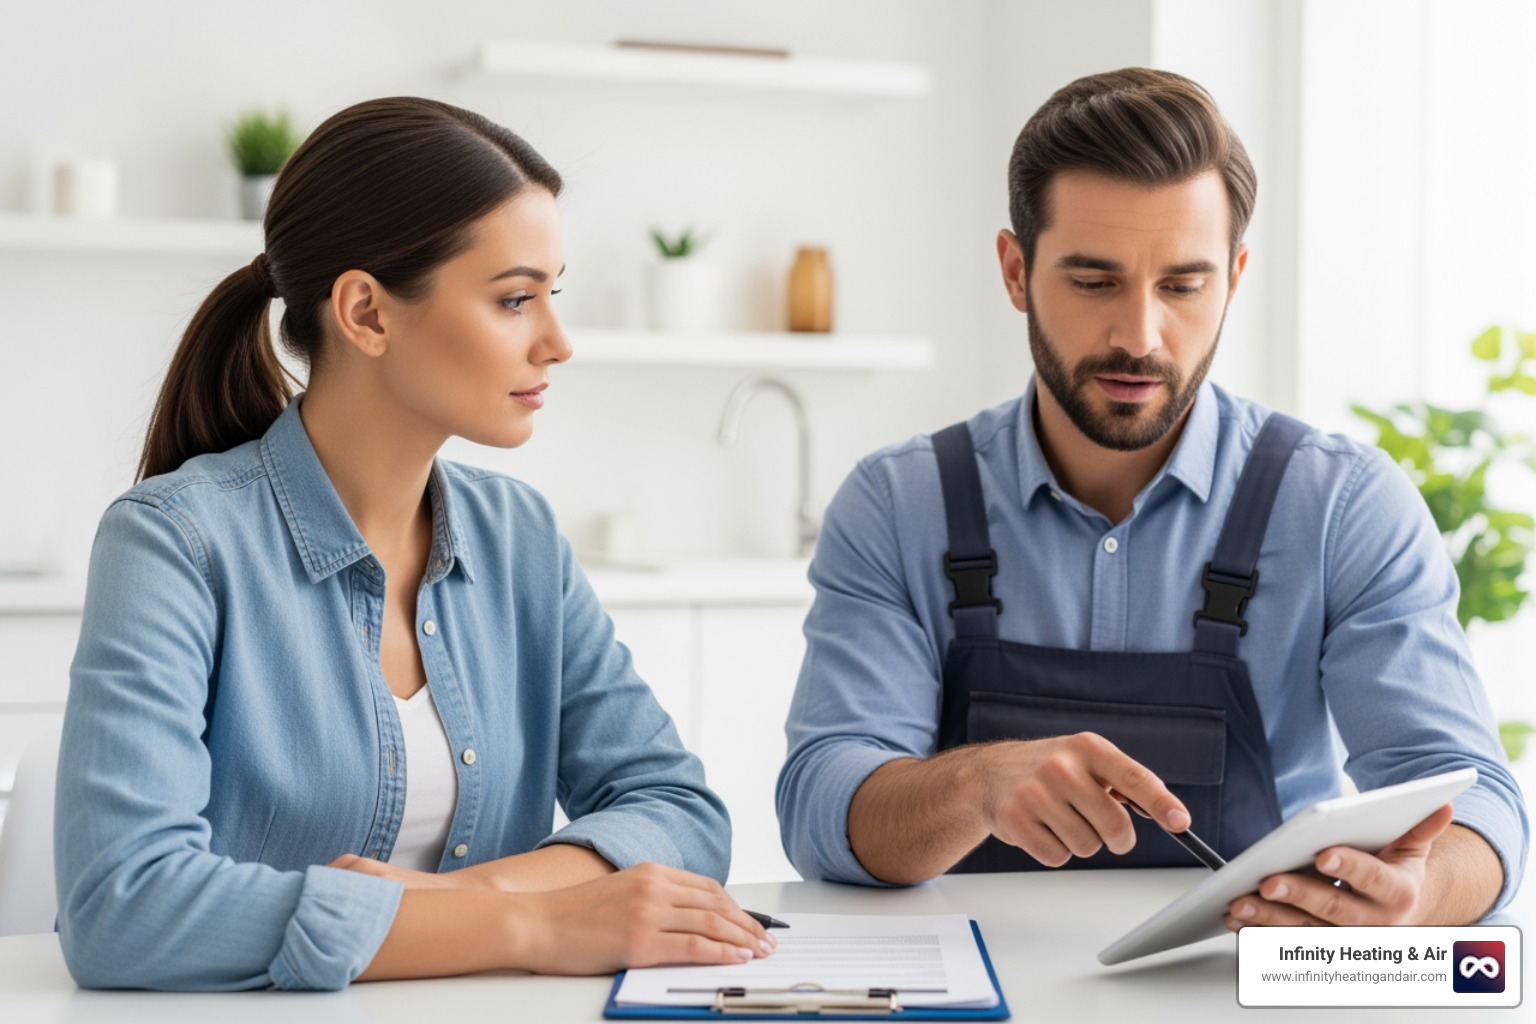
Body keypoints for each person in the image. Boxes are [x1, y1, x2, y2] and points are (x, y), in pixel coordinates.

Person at [777, 68, 1527, 929]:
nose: (1139, 335)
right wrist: (976, 784)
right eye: (1093, 282)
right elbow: (819, 807)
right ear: (1016, 271)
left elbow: (1479, 804)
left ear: (1235, 277)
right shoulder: (897, 503)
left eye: (1183, 286)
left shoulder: (1343, 507)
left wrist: (1419, 895)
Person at [55, 97, 773, 991]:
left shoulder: (521, 540)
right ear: (366, 313)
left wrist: (468, 899)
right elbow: (122, 907)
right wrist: (529, 924)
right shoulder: (173, 542)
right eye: (515, 299)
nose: (558, 341)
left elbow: (679, 812)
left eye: (554, 294)